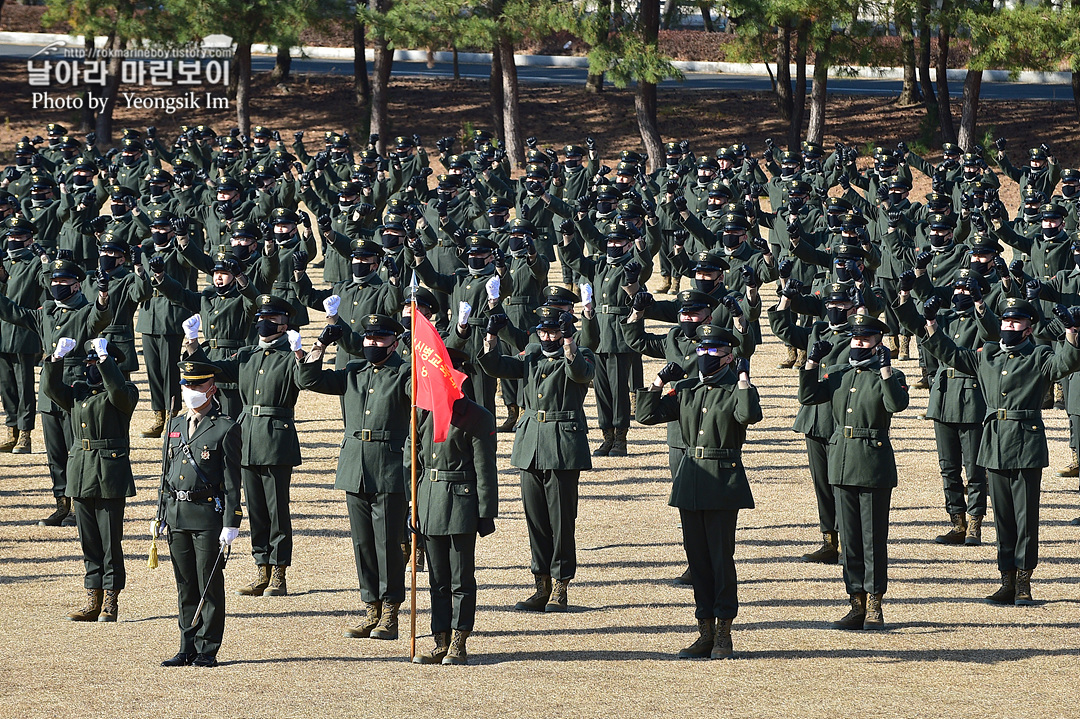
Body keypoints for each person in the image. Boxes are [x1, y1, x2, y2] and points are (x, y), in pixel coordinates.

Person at [920, 297, 1080, 605]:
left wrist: (1072, 331)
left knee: (1025, 517)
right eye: (1006, 321)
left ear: (1029, 328)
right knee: (1004, 517)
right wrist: (930, 325)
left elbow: (1067, 363)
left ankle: (1023, 582)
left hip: (1025, 443)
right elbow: (951, 354)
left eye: (1016, 322)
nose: (1009, 327)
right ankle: (1005, 579)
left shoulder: (1039, 355)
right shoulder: (988, 354)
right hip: (993, 441)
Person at [635, 325, 761, 659]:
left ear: (729, 356)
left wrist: (744, 379)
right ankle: (704, 630)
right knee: (697, 560)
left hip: (722, 482)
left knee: (720, 560)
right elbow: (645, 415)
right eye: (702, 351)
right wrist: (659, 382)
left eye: (714, 352)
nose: (706, 357)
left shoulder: (737, 389)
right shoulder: (688, 390)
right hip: (691, 481)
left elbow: (749, 415)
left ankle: (723, 632)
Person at [298, 314, 411, 641]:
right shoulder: (353, 372)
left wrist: (410, 353)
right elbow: (309, 380)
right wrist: (320, 344)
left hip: (389, 467)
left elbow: (419, 390)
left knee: (388, 542)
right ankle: (371, 609)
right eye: (368, 339)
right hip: (354, 465)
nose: (372, 344)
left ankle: (390, 612)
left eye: (379, 339)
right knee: (363, 543)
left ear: (392, 341)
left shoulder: (401, 372)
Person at [477, 305, 595, 612]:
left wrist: (569, 343)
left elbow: (580, 373)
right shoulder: (530, 355)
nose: (546, 337)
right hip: (530, 443)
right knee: (536, 520)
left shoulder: (579, 355)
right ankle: (540, 584)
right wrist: (490, 336)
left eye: (553, 332)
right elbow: (494, 366)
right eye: (542, 332)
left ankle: (560, 584)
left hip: (562, 446)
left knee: (561, 520)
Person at [799, 315, 909, 630]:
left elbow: (895, 404)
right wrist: (811, 363)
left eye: (865, 339)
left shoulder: (890, 375)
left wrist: (886, 370)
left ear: (878, 343)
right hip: (842, 462)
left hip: (872, 465)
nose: (859, 343)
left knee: (872, 538)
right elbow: (807, 397)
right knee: (849, 540)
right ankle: (855, 603)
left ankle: (875, 604)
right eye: (856, 339)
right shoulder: (837, 374)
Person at [0, 257, 112, 526]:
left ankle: (79, 506)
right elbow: (13, 312)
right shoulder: (47, 312)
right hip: (49, 391)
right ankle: (62, 504)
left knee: (76, 451)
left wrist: (103, 295)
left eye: (63, 281)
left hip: (74, 388)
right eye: (54, 281)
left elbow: (100, 317)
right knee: (55, 455)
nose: (57, 285)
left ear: (76, 285)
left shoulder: (84, 311)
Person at [156, 361, 243, 668]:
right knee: (185, 584)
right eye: (186, 386)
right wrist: (161, 513)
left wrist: (232, 521)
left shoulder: (225, 428)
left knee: (209, 583)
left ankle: (208, 648)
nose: (190, 391)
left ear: (211, 388)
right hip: (177, 515)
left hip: (208, 517)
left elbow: (233, 480)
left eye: (196, 386)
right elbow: (166, 474)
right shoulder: (175, 425)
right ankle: (186, 646)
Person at [44, 337, 137, 622]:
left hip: (109, 473)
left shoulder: (125, 391)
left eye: (95, 362)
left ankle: (110, 599)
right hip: (82, 471)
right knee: (89, 541)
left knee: (110, 540)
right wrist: (56, 360)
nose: (91, 367)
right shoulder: (79, 392)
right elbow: (50, 389)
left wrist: (105, 359)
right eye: (89, 362)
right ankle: (92, 597)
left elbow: (118, 392)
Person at [412, 360, 498, 666]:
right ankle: (440, 640)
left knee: (461, 578)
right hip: (430, 501)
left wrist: (485, 513)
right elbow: (416, 462)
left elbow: (485, 469)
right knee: (437, 579)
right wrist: (413, 506)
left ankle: (459, 641)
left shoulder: (478, 416)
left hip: (461, 503)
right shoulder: (423, 412)